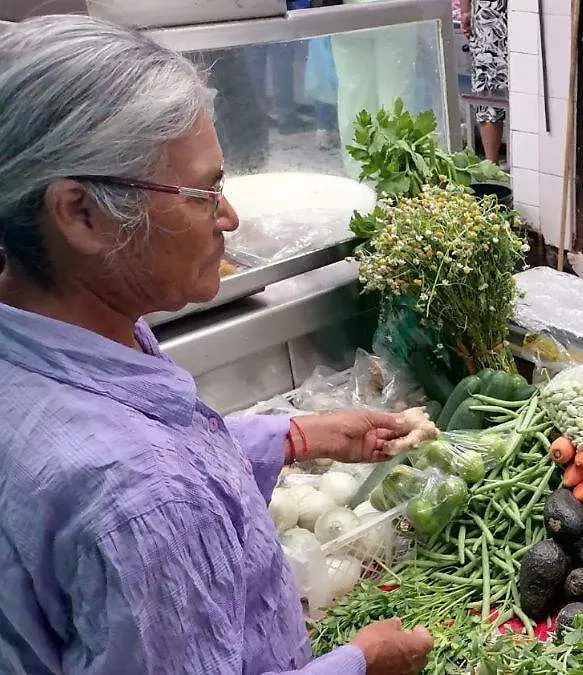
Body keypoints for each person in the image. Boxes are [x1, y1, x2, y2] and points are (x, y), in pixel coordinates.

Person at [0, 16, 437, 674]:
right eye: (203, 191)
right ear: (81, 214)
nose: (228, 217)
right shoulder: (137, 492)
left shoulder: (53, 328)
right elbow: (145, 486)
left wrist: (294, 435)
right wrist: (359, 661)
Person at [462, 0, 508, 164]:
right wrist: (466, 11)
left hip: (489, 11)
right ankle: (492, 168)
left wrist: (465, 11)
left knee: (489, 82)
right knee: (488, 85)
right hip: (490, 14)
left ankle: (492, 167)